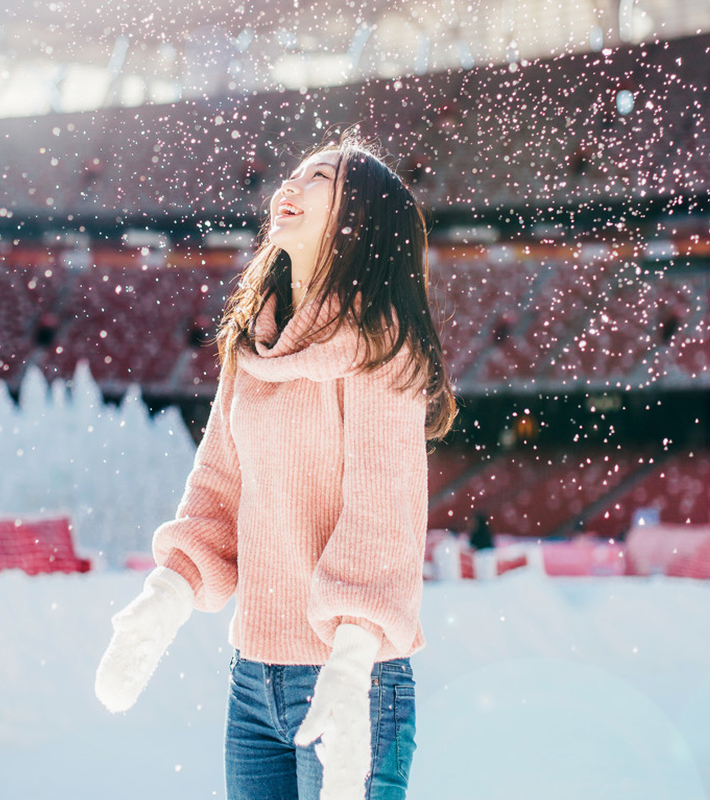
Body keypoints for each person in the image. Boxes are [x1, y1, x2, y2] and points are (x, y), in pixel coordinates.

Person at [95, 133, 457, 800]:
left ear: (359, 218)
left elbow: (383, 514)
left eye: (318, 176)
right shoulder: (253, 347)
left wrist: (349, 671)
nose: (288, 185)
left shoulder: (383, 353)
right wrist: (164, 599)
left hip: (354, 679)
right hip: (254, 678)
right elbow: (219, 492)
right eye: (290, 172)